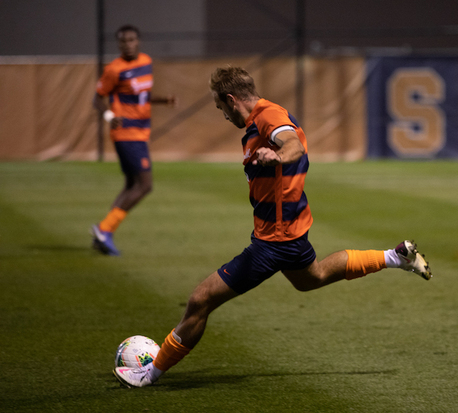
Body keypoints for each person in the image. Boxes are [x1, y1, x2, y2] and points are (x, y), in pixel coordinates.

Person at [113, 66, 431, 388]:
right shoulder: (255, 125)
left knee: (200, 300)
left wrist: (279, 156)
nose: (222, 115)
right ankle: (396, 257)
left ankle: (148, 374)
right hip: (289, 233)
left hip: (274, 242)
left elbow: (292, 143)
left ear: (231, 99)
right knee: (313, 277)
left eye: (220, 107)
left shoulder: (268, 116)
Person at [90, 25, 176, 256]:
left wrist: (163, 100)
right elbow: (97, 99)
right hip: (126, 133)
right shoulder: (114, 70)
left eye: (131, 40)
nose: (127, 44)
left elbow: (142, 95)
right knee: (145, 185)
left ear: (138, 41)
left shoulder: (146, 62)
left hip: (140, 131)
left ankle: (104, 232)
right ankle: (105, 229)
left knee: (131, 184)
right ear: (119, 44)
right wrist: (109, 116)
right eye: (123, 41)